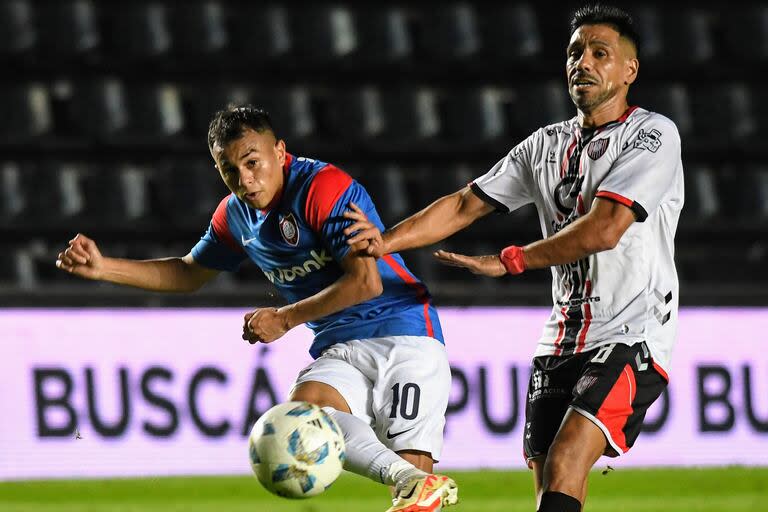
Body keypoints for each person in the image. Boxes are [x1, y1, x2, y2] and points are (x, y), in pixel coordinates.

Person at [343, 5, 683, 512]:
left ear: (629, 71)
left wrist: (512, 261)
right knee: (551, 481)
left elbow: (606, 228)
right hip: (561, 335)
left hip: (633, 330)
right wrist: (384, 242)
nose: (582, 63)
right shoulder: (546, 145)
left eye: (599, 53)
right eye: (574, 53)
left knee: (569, 459)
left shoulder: (653, 136)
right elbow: (464, 203)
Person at [56, 105, 458, 512]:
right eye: (229, 170)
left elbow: (366, 282)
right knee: (302, 416)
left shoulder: (324, 188)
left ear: (280, 152)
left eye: (252, 162)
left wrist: (284, 318)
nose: (244, 180)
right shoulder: (235, 216)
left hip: (404, 333)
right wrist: (104, 267)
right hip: (337, 344)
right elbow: (187, 272)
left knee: (415, 493)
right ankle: (408, 479)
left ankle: (411, 478)